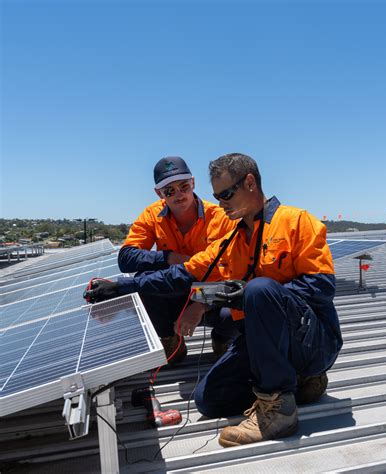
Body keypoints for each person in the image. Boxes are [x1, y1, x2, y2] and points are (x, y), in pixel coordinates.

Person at [85, 153, 343, 448]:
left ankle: (278, 409)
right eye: (217, 197)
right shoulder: (231, 240)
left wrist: (255, 295)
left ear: (249, 183)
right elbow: (182, 275)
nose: (221, 204)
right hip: (262, 342)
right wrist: (121, 286)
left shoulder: (296, 222)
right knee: (208, 399)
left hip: (312, 342)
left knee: (259, 290)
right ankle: (297, 382)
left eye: (226, 194)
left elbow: (321, 287)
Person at [117, 156, 237, 363]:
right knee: (144, 280)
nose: (179, 195)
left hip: (211, 293)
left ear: (193, 183)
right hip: (174, 290)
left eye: (184, 186)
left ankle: (221, 338)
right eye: (169, 191)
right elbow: (126, 257)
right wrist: (171, 257)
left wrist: (200, 304)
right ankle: (170, 340)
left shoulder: (221, 218)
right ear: (159, 193)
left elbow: (233, 274)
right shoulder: (152, 215)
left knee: (237, 308)